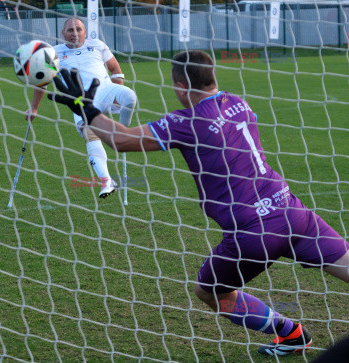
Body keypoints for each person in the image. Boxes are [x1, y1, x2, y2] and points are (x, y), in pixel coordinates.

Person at [48, 51, 349, 356]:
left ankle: (291, 333)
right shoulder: (237, 101)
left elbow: (122, 140)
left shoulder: (186, 121)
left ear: (179, 86)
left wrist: (85, 109)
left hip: (253, 232)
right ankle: (292, 337)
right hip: (291, 210)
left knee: (209, 291)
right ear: (213, 77)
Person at [26, 17, 137, 199]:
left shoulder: (97, 45)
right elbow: (42, 83)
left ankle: (122, 135)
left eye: (78, 29)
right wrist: (34, 108)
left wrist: (117, 90)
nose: (74, 33)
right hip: (81, 101)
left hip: (106, 90)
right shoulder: (54, 53)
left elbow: (115, 69)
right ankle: (106, 181)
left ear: (85, 32)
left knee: (130, 96)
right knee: (90, 136)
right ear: (63, 33)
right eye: (70, 30)